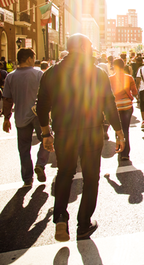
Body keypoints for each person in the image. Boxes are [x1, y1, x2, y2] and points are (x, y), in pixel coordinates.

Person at [37, 34, 125, 242]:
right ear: (85, 49)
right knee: (91, 177)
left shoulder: (51, 73)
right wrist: (119, 131)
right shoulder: (96, 74)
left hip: (64, 132)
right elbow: (108, 104)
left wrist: (45, 133)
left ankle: (60, 217)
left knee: (65, 173)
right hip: (91, 131)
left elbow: (42, 106)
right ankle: (83, 224)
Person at [2, 48, 49, 187]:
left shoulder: (10, 77)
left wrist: (6, 118)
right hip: (37, 115)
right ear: (28, 58)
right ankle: (40, 163)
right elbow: (47, 95)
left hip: (21, 117)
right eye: (33, 57)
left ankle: (27, 179)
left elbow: (7, 99)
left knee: (23, 148)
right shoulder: (38, 74)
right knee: (47, 139)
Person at [109, 58, 138, 162]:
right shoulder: (129, 77)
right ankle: (125, 153)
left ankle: (119, 148)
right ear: (124, 65)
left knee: (118, 128)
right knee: (125, 129)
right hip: (127, 106)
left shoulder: (110, 78)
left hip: (115, 106)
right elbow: (135, 91)